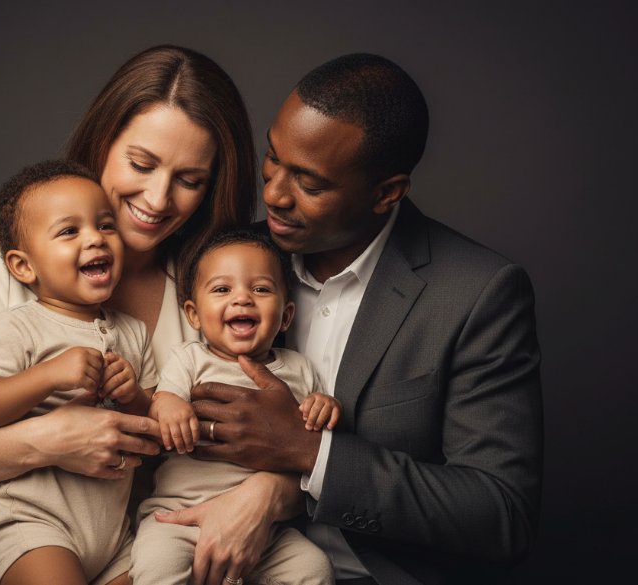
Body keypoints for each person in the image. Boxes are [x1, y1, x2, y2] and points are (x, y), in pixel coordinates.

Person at [0, 45, 297, 585]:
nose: (158, 197)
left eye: (189, 179)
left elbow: (278, 440)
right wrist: (49, 439)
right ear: (103, 144)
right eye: (141, 164)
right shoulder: (3, 268)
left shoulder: (220, 294)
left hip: (142, 560)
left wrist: (266, 492)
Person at [163, 54, 544, 584]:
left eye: (310, 184)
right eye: (273, 158)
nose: (273, 193)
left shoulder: (476, 293)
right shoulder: (232, 264)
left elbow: (500, 516)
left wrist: (308, 452)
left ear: (387, 192)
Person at [0, 160, 157, 585]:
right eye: (70, 231)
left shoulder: (133, 332)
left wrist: (135, 396)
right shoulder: (18, 325)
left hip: (113, 538)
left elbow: (157, 427)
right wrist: (48, 374)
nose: (95, 239)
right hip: (31, 526)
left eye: (105, 226)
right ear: (24, 266)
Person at [131, 229, 339, 585]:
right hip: (178, 518)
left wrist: (323, 405)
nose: (242, 299)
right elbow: (163, 400)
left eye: (260, 289)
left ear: (286, 316)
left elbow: (311, 433)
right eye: (222, 289)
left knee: (314, 568)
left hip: (267, 530)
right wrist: (169, 407)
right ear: (194, 315)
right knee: (157, 566)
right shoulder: (190, 359)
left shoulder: (299, 369)